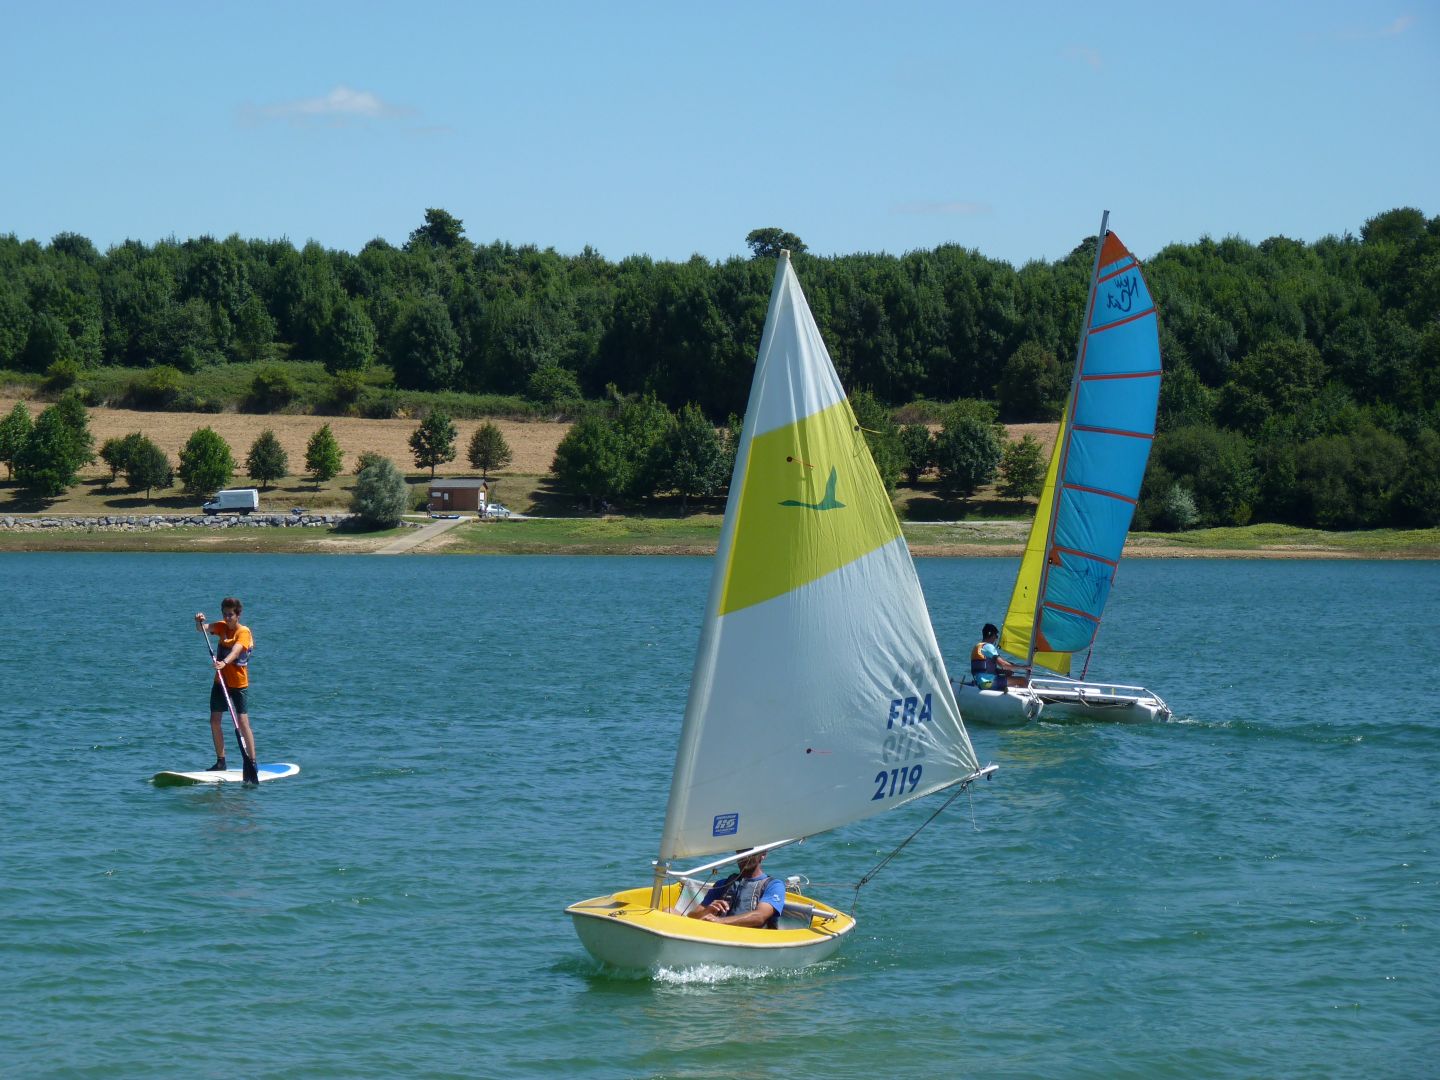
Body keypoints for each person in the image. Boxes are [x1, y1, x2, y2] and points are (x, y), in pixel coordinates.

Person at [194, 598, 256, 771]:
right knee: (214, 721)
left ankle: (251, 762)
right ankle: (221, 761)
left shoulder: (243, 632)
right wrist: (199, 621)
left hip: (238, 684)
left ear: (238, 615)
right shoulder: (221, 626)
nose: (227, 618)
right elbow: (201, 629)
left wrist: (225, 662)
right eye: (225, 614)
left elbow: (236, 651)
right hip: (220, 682)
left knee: (243, 723)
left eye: (231, 615)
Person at [685, 849, 786, 928]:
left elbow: (760, 917)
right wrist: (707, 911)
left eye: (750, 851)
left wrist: (719, 921)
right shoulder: (722, 884)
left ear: (763, 854)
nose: (745, 855)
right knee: (669, 910)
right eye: (741, 851)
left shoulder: (774, 885)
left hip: (750, 940)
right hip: (718, 935)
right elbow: (692, 916)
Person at [970, 622, 1018, 693]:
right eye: (996, 636)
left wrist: (1004, 672)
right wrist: (1025, 667)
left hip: (980, 683)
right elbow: (1003, 665)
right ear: (990, 635)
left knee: (1010, 681)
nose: (996, 638)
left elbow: (989, 670)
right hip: (989, 683)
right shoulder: (988, 646)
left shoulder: (977, 647)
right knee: (1023, 681)